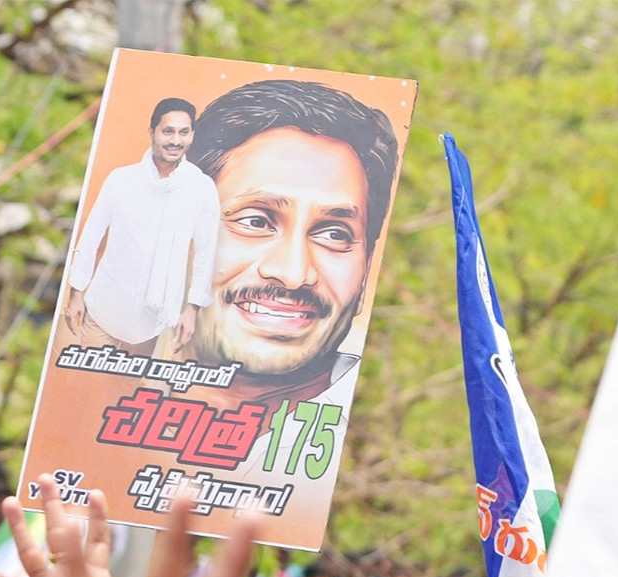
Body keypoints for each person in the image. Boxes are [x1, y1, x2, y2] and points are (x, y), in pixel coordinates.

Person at [176, 79, 399, 418]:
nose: (293, 274)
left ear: (368, 266)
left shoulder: (374, 432)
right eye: (255, 222)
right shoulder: (86, 388)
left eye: (334, 234)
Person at [63, 97, 219, 354]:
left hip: (153, 322)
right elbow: (91, 236)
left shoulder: (201, 188)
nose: (176, 141)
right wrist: (76, 293)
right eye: (168, 131)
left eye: (184, 132)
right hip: (103, 309)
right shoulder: (122, 179)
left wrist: (192, 310)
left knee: (128, 391)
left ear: (192, 135)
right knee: (86, 388)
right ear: (152, 132)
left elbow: (206, 253)